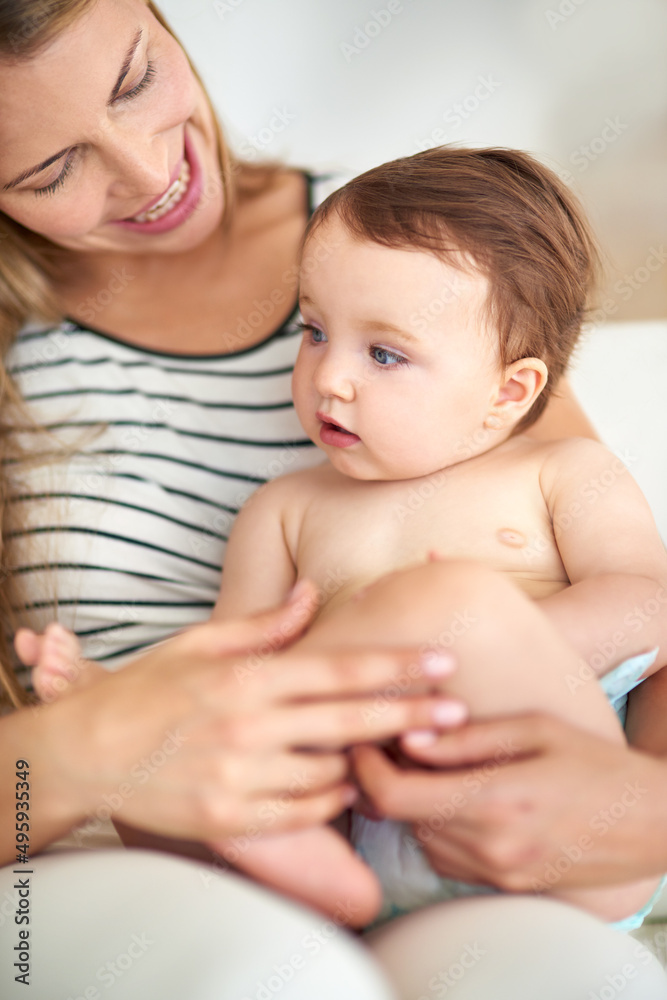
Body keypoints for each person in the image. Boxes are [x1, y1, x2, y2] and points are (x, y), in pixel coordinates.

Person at [1, 2, 667, 998]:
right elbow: (237, 655)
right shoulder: (286, 505)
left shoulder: (430, 248)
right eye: (50, 170)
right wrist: (85, 740)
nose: (148, 173)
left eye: (135, 77)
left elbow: (645, 611)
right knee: (264, 964)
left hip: (508, 833)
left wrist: (645, 804)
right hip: (173, 840)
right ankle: (298, 863)